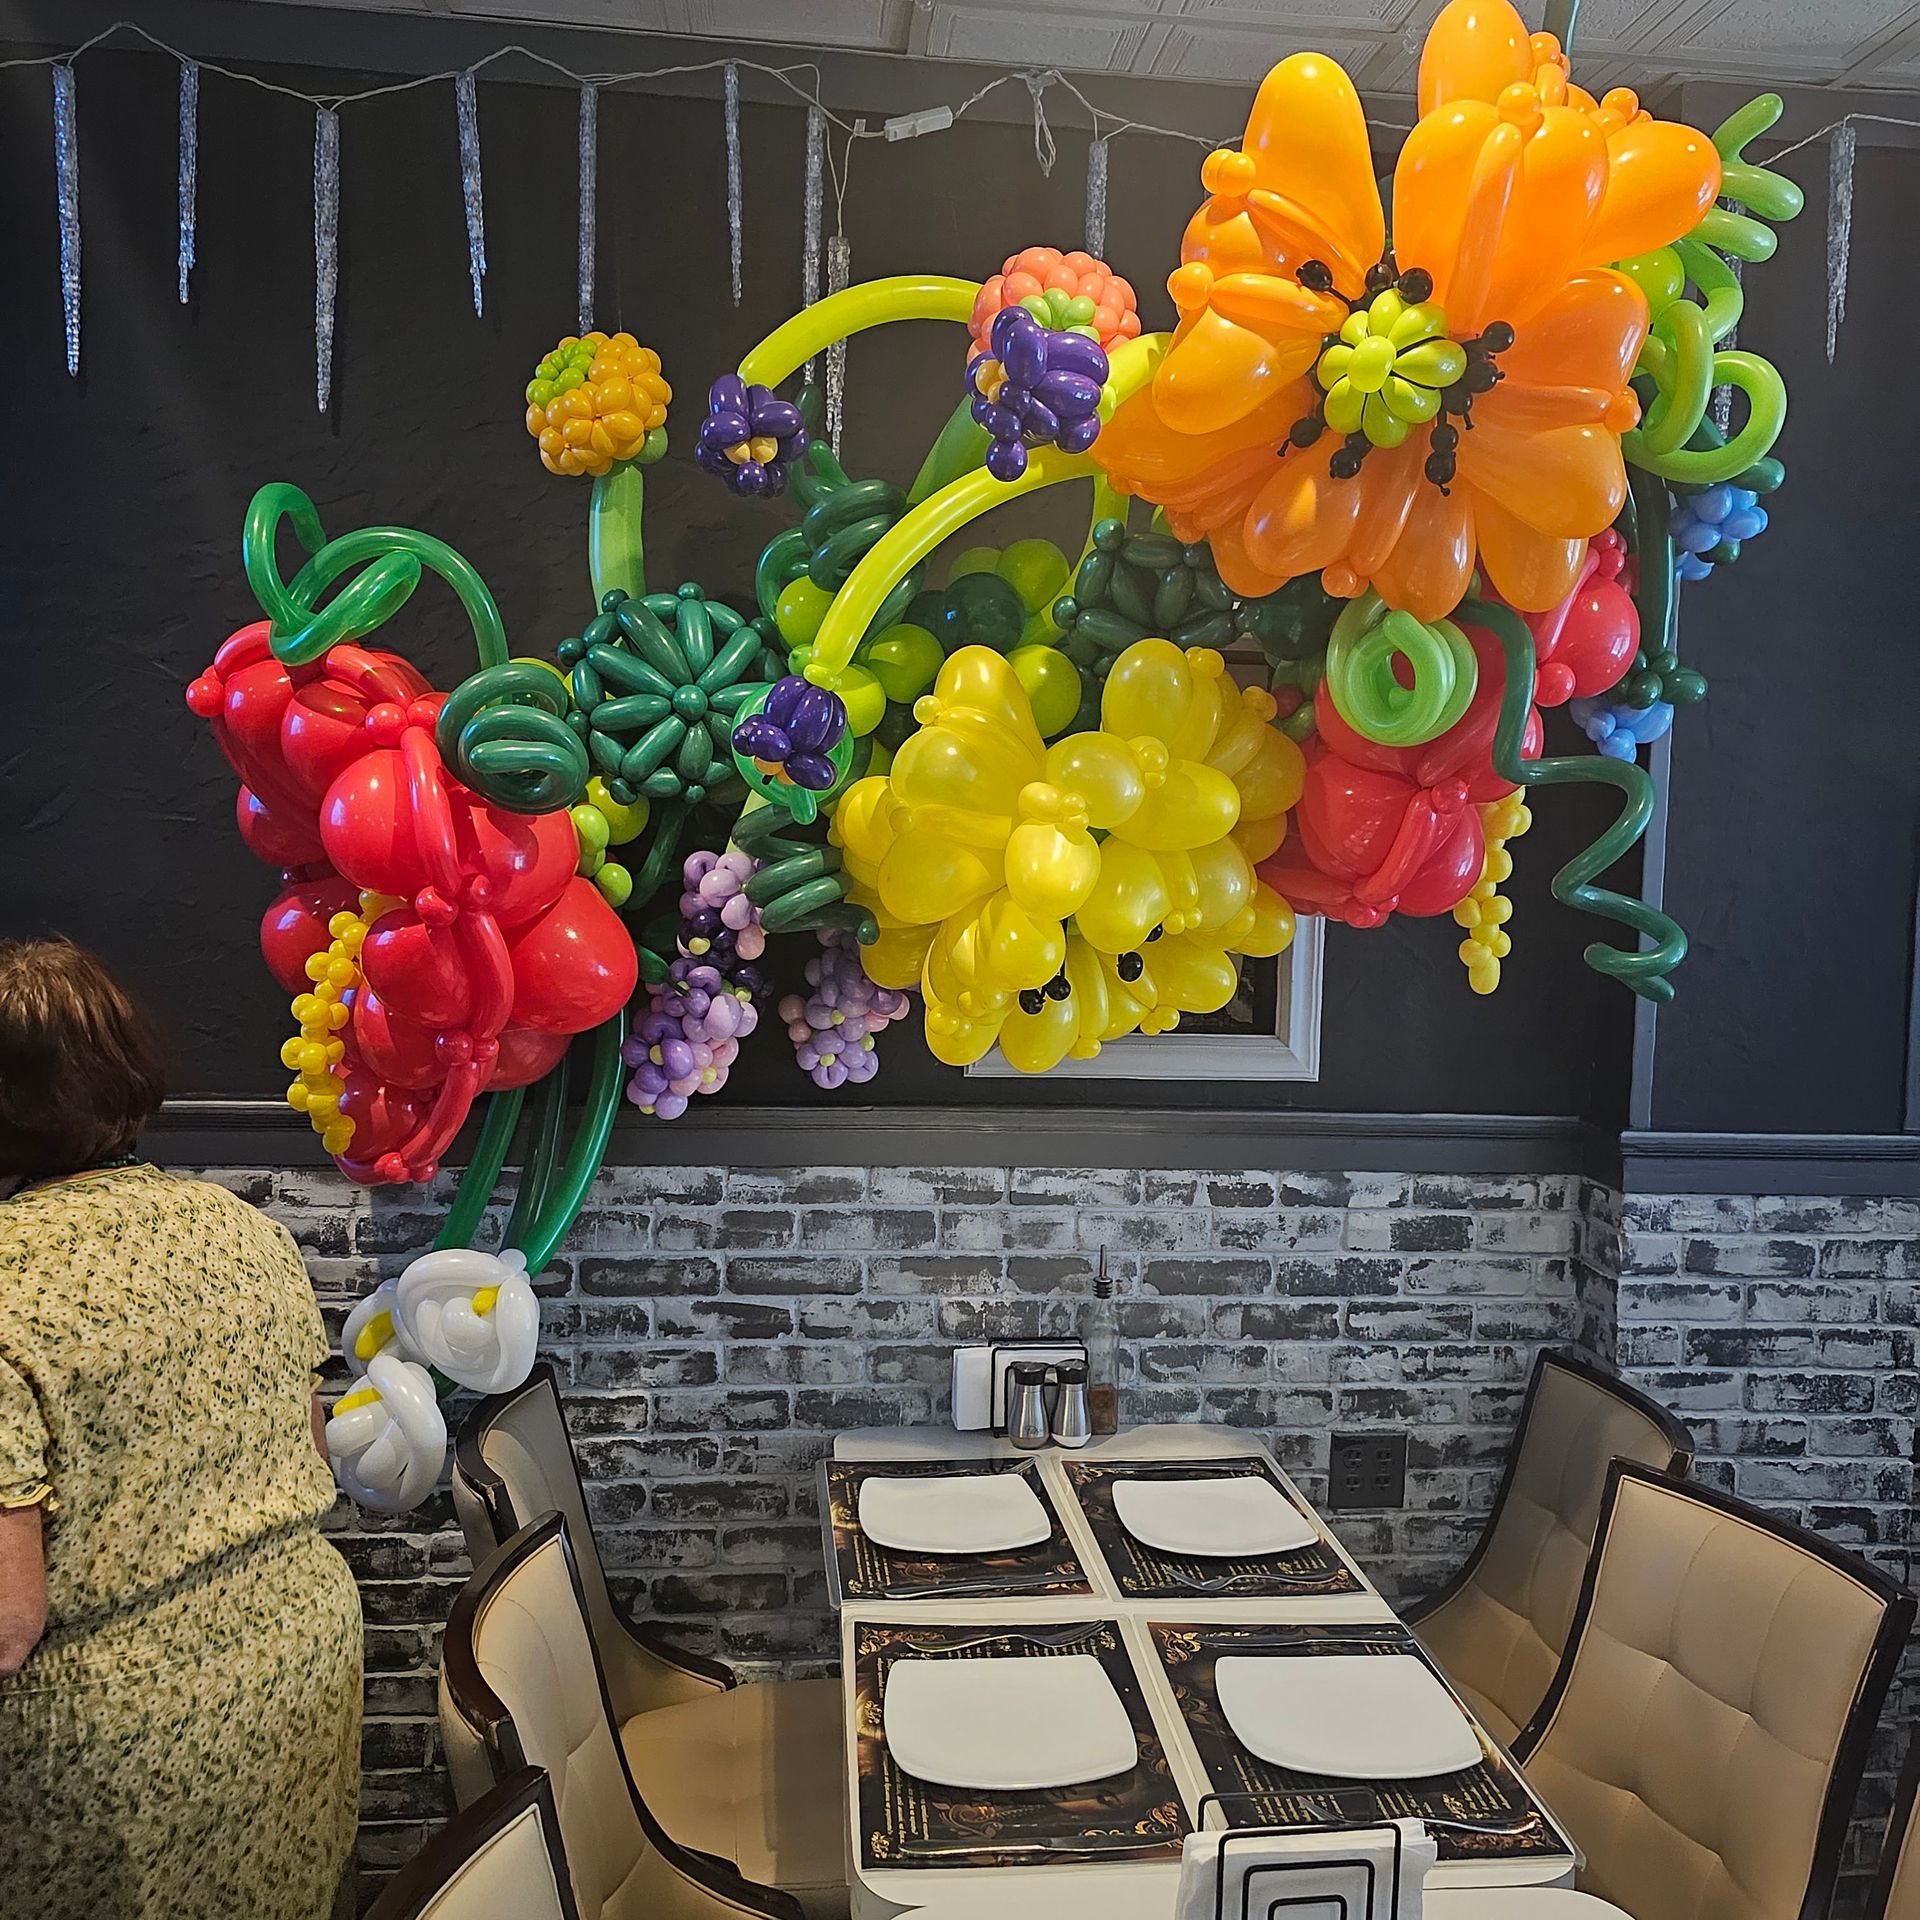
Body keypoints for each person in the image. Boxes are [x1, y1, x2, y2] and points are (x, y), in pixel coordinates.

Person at [0, 939, 361, 1919]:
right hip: (293, 1672)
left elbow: (7, 1619)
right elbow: (308, 1456)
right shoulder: (246, 1232)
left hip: (110, 1746)